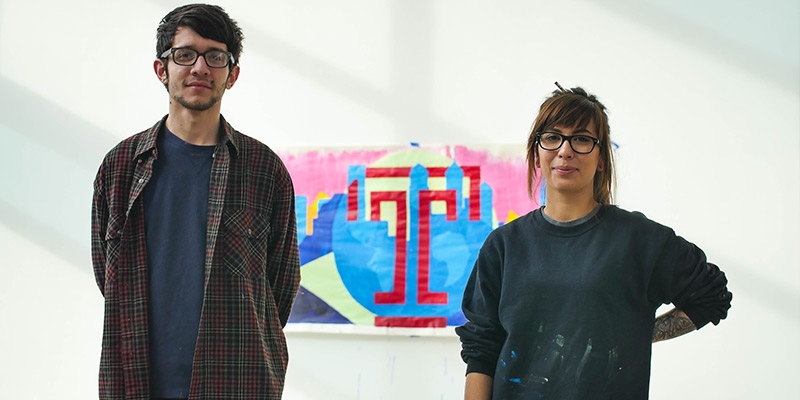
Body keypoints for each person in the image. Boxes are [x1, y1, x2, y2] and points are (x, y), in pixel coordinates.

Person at [455, 85, 732, 399]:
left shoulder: (638, 240)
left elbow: (711, 296)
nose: (565, 150)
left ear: (601, 158)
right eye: (552, 137)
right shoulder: (504, 246)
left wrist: (637, 336)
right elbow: (482, 347)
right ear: (536, 152)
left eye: (582, 139)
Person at [91, 4, 301, 399]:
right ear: (162, 69)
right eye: (185, 55)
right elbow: (109, 277)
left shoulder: (263, 170)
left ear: (232, 74)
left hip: (237, 381)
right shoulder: (120, 168)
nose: (200, 68)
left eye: (215, 56)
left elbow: (281, 286)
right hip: (135, 381)